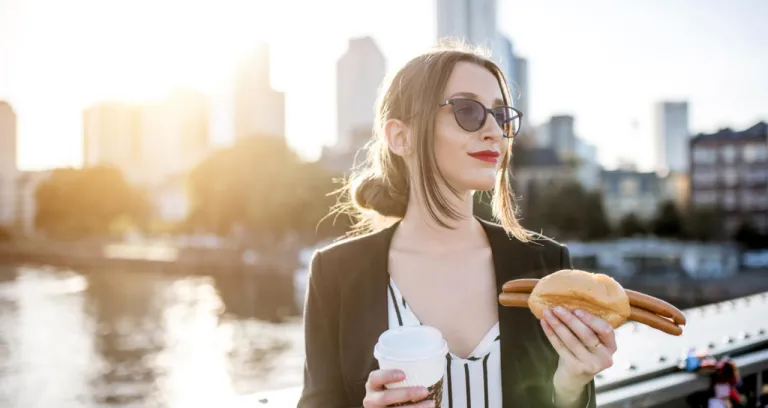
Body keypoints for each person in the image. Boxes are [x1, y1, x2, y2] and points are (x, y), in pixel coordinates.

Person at [297, 41, 615, 408]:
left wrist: (572, 386)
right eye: (468, 111)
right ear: (401, 137)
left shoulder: (546, 265)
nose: (494, 132)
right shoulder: (336, 274)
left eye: (501, 115)